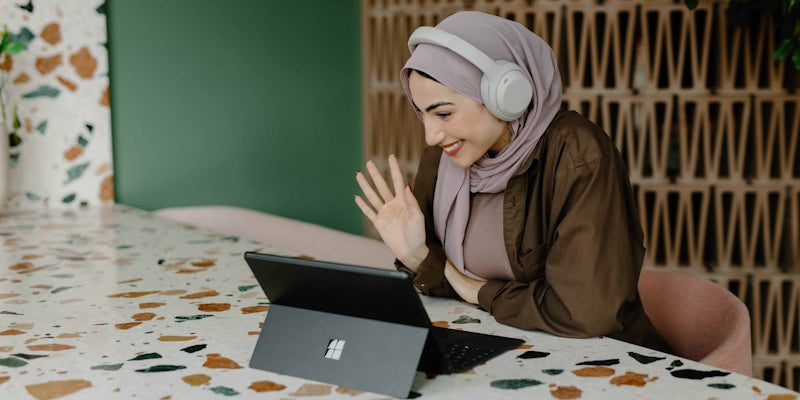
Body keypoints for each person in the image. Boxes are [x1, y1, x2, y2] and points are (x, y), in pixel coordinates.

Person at [354, 11, 671, 353]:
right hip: (504, 348)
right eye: (422, 114)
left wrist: (476, 290)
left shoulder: (578, 154)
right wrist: (418, 256)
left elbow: (585, 311)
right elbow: (445, 287)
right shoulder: (446, 156)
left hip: (607, 359)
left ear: (504, 95)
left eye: (443, 113)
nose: (431, 135)